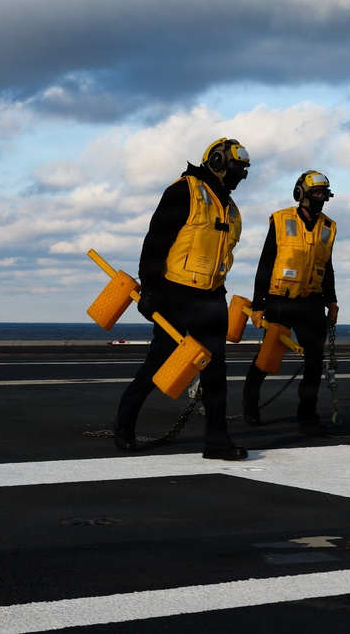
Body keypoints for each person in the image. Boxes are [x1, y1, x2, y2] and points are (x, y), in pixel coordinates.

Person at [113, 138, 251, 460]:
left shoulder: (230, 208)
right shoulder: (183, 191)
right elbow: (156, 242)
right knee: (158, 363)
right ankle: (124, 420)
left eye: (243, 171)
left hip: (213, 296)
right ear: (216, 161)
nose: (239, 176)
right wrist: (149, 289)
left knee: (215, 372)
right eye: (236, 168)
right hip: (176, 294)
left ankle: (217, 441)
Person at [243, 170, 339, 436]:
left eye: (323, 194)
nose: (320, 198)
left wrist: (331, 301)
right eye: (316, 193)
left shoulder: (328, 227)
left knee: (314, 363)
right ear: (301, 194)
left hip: (312, 304)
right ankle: (250, 404)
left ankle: (307, 416)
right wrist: (259, 303)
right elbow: (265, 263)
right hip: (279, 301)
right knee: (267, 357)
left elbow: (327, 267)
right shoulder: (281, 219)